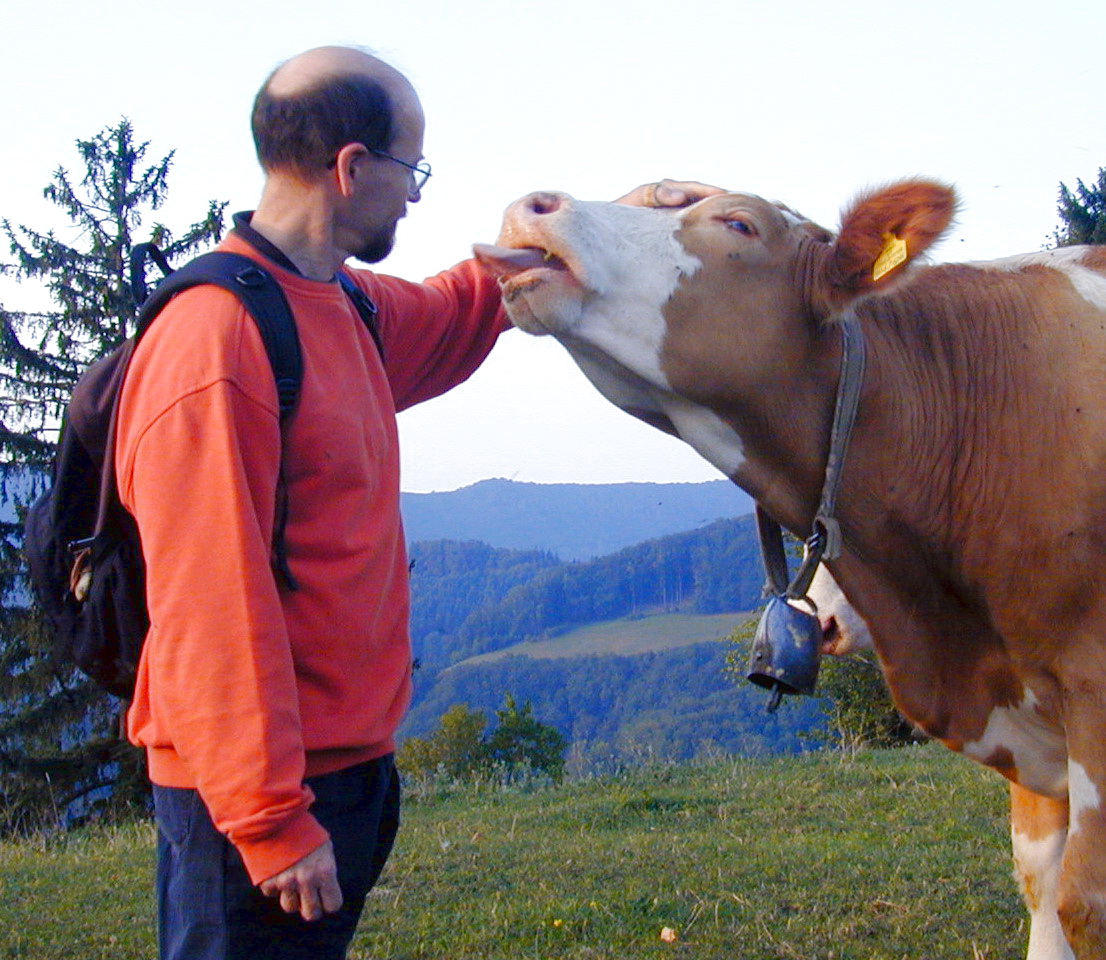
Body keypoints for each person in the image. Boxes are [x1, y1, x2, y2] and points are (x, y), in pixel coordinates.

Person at [114, 44, 720, 960]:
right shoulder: (218, 341)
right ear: (352, 167)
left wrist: (609, 222)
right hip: (256, 801)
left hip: (345, 770)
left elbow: (460, 306)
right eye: (412, 169)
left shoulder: (338, 304)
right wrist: (271, 820)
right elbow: (208, 609)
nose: (416, 196)